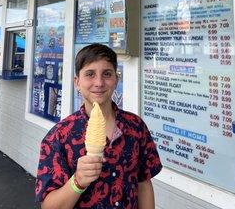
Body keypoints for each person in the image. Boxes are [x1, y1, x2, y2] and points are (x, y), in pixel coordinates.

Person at [36, 43, 162, 209]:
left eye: (107, 74)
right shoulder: (59, 136)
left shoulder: (136, 126)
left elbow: (144, 183)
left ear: (116, 80)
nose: (99, 82)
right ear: (77, 82)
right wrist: (77, 182)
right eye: (90, 74)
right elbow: (48, 206)